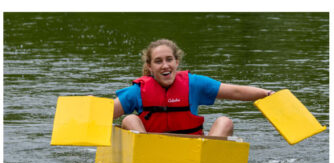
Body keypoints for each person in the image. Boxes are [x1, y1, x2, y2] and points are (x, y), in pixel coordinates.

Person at [113, 38, 274, 138]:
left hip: (194, 153)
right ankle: (144, 159)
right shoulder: (137, 91)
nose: (165, 65)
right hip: (152, 154)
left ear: (177, 62)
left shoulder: (194, 84)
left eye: (169, 59)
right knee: (129, 119)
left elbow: (235, 91)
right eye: (158, 61)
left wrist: (266, 94)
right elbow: (106, 113)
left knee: (225, 122)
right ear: (149, 66)